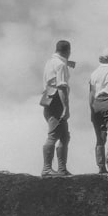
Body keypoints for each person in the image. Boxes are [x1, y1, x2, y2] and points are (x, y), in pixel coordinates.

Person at [41, 40, 73, 176]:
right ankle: (47, 168)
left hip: (48, 98)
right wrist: (66, 107)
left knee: (64, 136)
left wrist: (68, 63)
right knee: (54, 134)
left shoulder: (50, 62)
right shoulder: (60, 65)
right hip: (56, 101)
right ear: (68, 51)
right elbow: (61, 86)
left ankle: (62, 169)